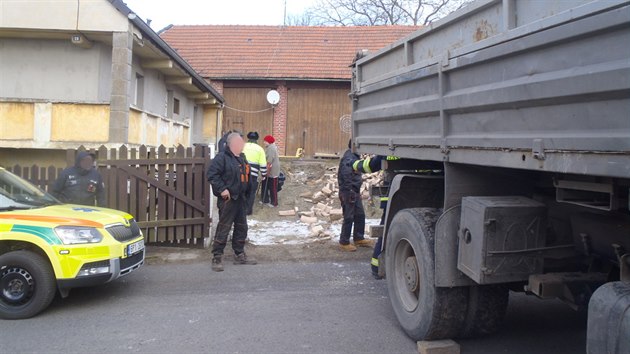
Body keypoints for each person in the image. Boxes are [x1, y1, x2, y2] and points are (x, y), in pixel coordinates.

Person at [207, 132, 257, 272]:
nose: (242, 145)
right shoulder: (221, 158)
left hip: (241, 198)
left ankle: (239, 254)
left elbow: (246, 176)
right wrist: (222, 189)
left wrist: (249, 192)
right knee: (224, 228)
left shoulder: (241, 158)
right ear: (231, 144)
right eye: (239, 142)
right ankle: (217, 257)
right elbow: (212, 175)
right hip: (228, 200)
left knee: (242, 227)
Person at [337, 140, 383, 252]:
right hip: (349, 192)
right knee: (349, 217)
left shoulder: (354, 156)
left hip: (354, 192)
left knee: (360, 215)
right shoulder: (349, 158)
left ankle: (358, 238)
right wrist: (350, 191)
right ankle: (344, 242)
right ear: (354, 146)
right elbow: (346, 176)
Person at [242, 131, 267, 215]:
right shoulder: (260, 149)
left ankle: (240, 210)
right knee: (251, 193)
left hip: (241, 173)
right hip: (253, 175)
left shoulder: (243, 146)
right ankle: (248, 211)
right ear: (257, 139)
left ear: (248, 138)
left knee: (242, 192)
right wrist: (264, 174)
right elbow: (263, 164)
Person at [261, 135, 280, 207]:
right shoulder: (269, 147)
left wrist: (267, 171)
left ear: (268, 141)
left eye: (265, 141)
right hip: (270, 169)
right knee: (267, 183)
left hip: (273, 170)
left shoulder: (271, 148)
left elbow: (269, 161)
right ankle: (265, 199)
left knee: (273, 187)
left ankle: (274, 203)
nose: (264, 142)